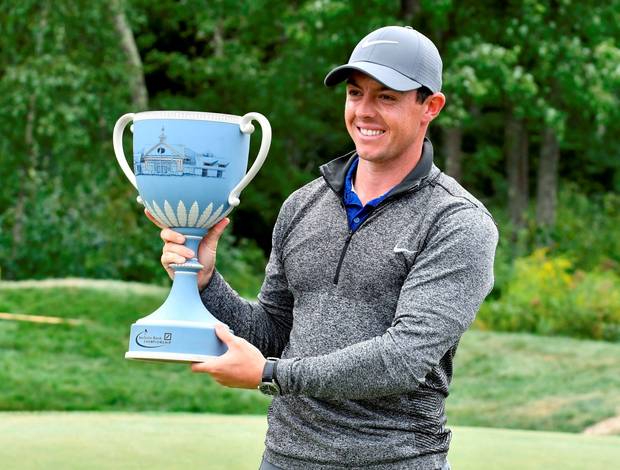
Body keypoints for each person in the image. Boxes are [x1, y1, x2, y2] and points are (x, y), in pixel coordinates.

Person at [152, 25, 497, 470]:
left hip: (397, 462)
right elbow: (273, 335)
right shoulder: (303, 204)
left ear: (430, 106)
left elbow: (402, 359)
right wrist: (204, 284)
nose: (365, 112)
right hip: (285, 459)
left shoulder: (457, 221)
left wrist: (270, 375)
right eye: (356, 94)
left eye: (386, 97)